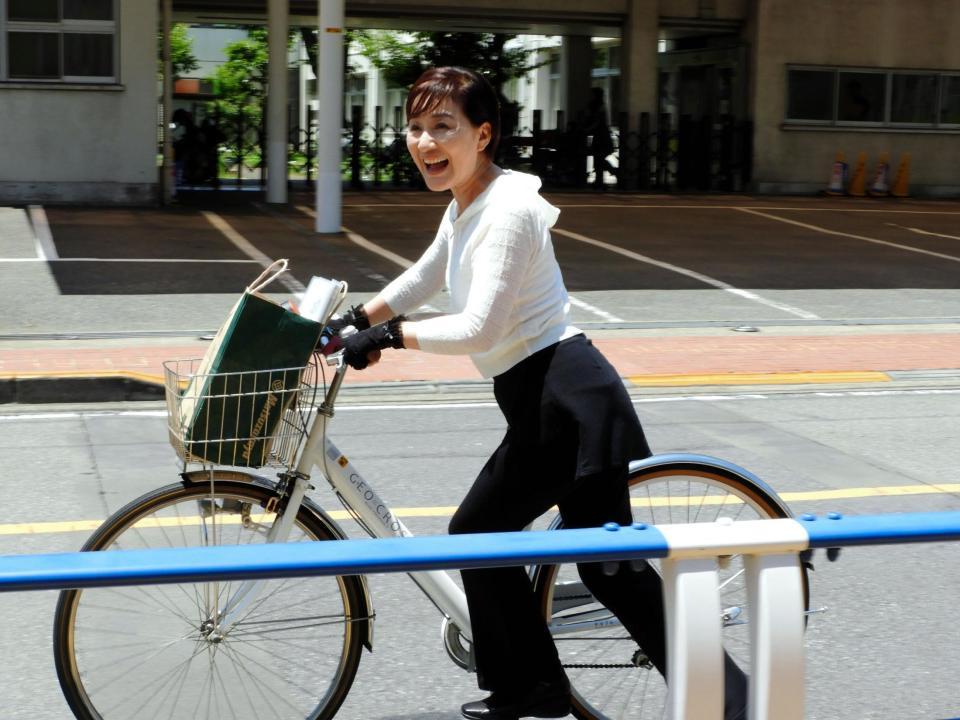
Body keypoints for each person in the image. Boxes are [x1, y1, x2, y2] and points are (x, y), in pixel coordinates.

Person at [326, 66, 748, 720]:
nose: (424, 141)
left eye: (444, 127)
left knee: (478, 532)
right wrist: (360, 318)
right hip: (547, 396)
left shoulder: (511, 210)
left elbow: (478, 327)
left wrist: (388, 338)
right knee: (612, 569)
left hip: (565, 396)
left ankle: (532, 689)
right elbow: (424, 276)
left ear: (483, 134)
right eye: (415, 127)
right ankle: (728, 696)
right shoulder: (466, 203)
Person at [582, 87, 617, 188]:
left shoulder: (596, 105)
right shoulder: (601, 105)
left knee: (599, 158)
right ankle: (602, 178)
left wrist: (587, 129)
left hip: (600, 136)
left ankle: (603, 178)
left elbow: (597, 121)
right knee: (599, 158)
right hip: (603, 135)